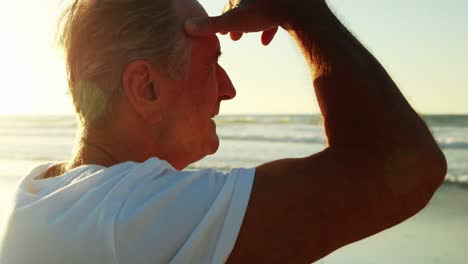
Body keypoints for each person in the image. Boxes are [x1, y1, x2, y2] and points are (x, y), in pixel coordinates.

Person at [0, 0, 447, 263]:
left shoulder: (43, 195)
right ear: (147, 87)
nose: (229, 90)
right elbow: (406, 163)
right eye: (213, 63)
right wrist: (301, 11)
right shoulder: (125, 218)